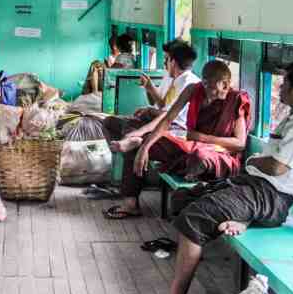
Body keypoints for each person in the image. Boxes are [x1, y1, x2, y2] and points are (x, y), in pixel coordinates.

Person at [136, 60, 293, 294]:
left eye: (285, 84)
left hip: (271, 197)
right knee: (184, 198)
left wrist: (251, 162)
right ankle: (243, 219)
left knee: (195, 217)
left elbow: (275, 166)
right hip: (256, 187)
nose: (280, 87)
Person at [104, 60, 251, 219]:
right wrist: (146, 146)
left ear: (225, 84)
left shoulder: (236, 100)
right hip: (189, 144)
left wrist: (202, 138)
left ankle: (189, 168)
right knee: (140, 146)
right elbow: (167, 120)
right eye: (205, 85)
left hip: (218, 152)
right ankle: (130, 204)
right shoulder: (193, 90)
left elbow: (239, 144)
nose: (208, 92)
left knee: (201, 157)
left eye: (213, 88)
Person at [104, 40, 200, 141]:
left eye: (166, 59)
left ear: (173, 62)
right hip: (158, 119)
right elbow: (161, 105)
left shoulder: (188, 83)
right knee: (111, 122)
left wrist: (143, 126)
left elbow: (166, 116)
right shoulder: (170, 76)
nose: (164, 63)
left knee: (129, 130)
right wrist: (149, 88)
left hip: (173, 126)